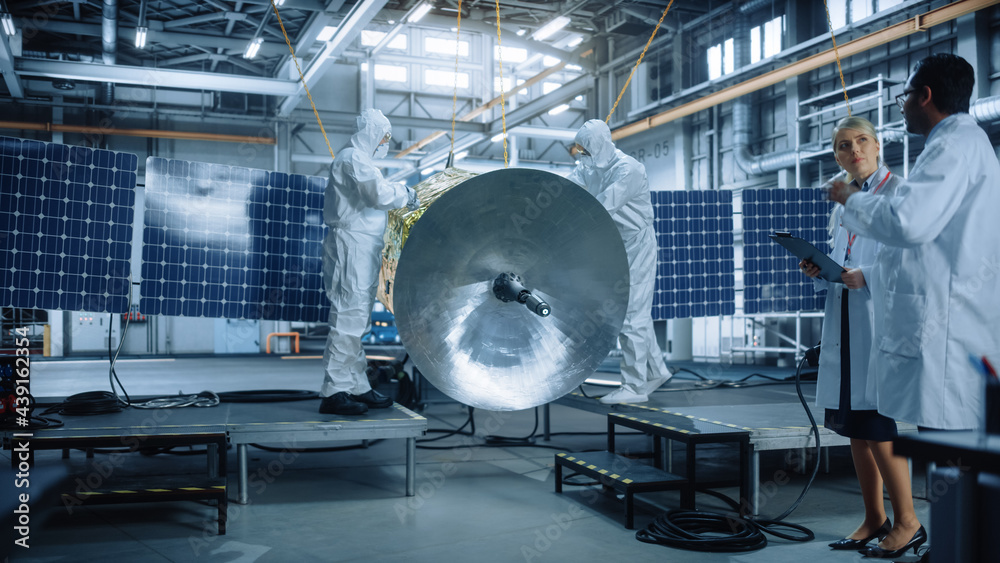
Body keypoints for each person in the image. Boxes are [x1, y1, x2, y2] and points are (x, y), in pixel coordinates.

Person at [828, 53, 1000, 559]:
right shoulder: (959, 146)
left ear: (923, 95)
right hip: (937, 323)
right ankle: (947, 542)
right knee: (946, 452)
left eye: (905, 95)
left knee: (951, 454)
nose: (901, 106)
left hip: (948, 328)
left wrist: (849, 201)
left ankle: (947, 543)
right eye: (844, 145)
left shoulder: (953, 147)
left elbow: (908, 225)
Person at [800, 116, 920, 556]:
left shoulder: (900, 194)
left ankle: (908, 521)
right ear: (836, 157)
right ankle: (874, 517)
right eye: (843, 146)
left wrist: (864, 276)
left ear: (877, 144)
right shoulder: (843, 205)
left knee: (876, 425)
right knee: (854, 428)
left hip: (879, 324)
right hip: (847, 323)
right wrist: (821, 271)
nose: (854, 151)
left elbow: (912, 258)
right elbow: (842, 260)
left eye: (861, 141)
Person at [319, 109, 420, 415]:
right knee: (348, 318)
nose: (386, 142)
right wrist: (407, 194)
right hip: (351, 246)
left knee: (358, 320)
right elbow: (378, 195)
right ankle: (334, 390)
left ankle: (356, 385)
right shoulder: (352, 158)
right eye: (384, 136)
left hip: (362, 248)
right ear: (373, 133)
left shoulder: (361, 161)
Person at [567, 119, 671, 404]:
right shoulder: (589, 166)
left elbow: (600, 206)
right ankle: (656, 371)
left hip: (637, 244)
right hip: (614, 244)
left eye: (587, 149)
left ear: (598, 146)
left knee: (631, 314)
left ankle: (635, 388)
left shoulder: (629, 170)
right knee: (634, 312)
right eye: (581, 150)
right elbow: (571, 191)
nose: (582, 154)